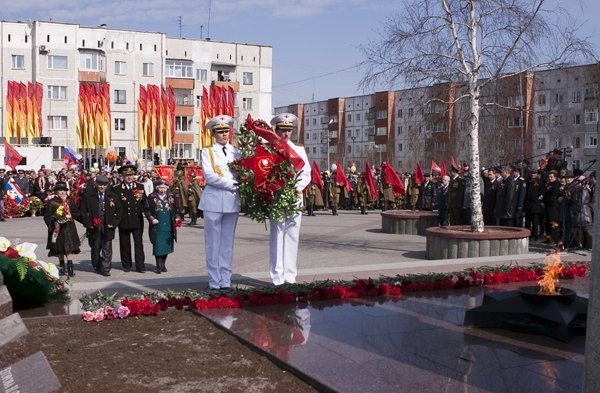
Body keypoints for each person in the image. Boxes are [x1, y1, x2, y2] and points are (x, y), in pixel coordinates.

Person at [199, 115, 241, 290]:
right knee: (212, 243)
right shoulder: (206, 151)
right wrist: (234, 184)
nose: (224, 134)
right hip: (214, 201)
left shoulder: (237, 152)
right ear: (213, 133)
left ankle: (226, 279)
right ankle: (214, 281)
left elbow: (242, 173)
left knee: (227, 244)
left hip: (231, 202)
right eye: (220, 132)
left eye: (226, 131)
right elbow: (210, 177)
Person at [269, 113, 311, 285]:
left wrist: (294, 189)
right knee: (277, 236)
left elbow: (305, 173)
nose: (286, 134)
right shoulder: (270, 148)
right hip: (277, 196)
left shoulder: (299, 149)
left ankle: (290, 276)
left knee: (293, 236)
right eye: (283, 130)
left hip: (294, 197)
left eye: (289, 130)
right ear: (276, 130)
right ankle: (277, 277)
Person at [79, 175, 122, 276]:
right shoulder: (88, 196)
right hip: (94, 226)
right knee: (95, 247)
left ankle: (106, 268)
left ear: (107, 185)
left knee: (107, 247)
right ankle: (97, 266)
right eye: (100, 184)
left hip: (108, 225)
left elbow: (119, 210)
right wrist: (88, 224)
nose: (102, 187)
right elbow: (83, 212)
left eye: (104, 185)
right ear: (96, 184)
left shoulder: (112, 196)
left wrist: (114, 223)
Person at [113, 164, 147, 273]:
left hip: (137, 220)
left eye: (131, 175)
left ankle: (140, 266)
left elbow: (144, 203)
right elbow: (114, 205)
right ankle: (126, 265)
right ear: (122, 176)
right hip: (123, 220)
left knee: (138, 243)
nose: (129, 177)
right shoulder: (116, 189)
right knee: (124, 244)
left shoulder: (140, 187)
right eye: (126, 175)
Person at [43, 181, 81, 277]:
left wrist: (85, 222)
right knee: (59, 249)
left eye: (64, 190)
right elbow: (47, 217)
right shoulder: (52, 202)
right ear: (56, 192)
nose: (63, 192)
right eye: (60, 190)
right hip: (58, 229)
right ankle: (61, 266)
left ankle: (70, 267)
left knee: (70, 248)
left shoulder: (70, 200)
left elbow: (76, 213)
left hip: (69, 229)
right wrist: (56, 218)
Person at [144, 179, 180, 273]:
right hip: (157, 226)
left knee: (166, 246)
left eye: (164, 188)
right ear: (157, 188)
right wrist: (152, 219)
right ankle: (158, 266)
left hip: (168, 225)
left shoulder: (171, 196)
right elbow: (146, 210)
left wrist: (177, 217)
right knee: (158, 246)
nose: (163, 190)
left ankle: (163, 264)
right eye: (161, 187)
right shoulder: (151, 197)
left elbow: (176, 208)